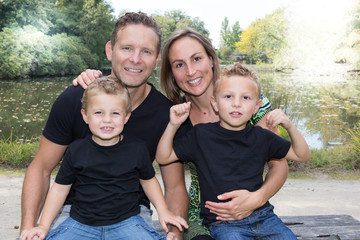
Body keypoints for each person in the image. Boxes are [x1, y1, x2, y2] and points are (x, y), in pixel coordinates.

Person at [74, 28, 290, 240]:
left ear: (211, 60)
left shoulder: (247, 101)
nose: (190, 71)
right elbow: (174, 186)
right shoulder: (176, 116)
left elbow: (279, 164)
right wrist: (96, 77)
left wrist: (257, 198)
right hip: (201, 217)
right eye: (179, 65)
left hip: (256, 211)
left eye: (197, 59)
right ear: (172, 73)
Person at [20, 12, 188, 240]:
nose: (135, 59)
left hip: (132, 216)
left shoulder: (165, 114)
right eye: (127, 48)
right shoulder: (75, 99)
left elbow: (175, 187)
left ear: (157, 59)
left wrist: (175, 233)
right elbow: (41, 169)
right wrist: (29, 228)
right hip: (74, 214)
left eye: (146, 51)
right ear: (110, 50)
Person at [156, 63, 311, 239]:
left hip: (264, 217)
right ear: (215, 103)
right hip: (223, 222)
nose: (236, 104)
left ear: (256, 106)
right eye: (228, 96)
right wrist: (173, 125)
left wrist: (289, 125)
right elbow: (163, 156)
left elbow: (302, 155)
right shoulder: (200, 135)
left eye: (245, 98)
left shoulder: (262, 137)